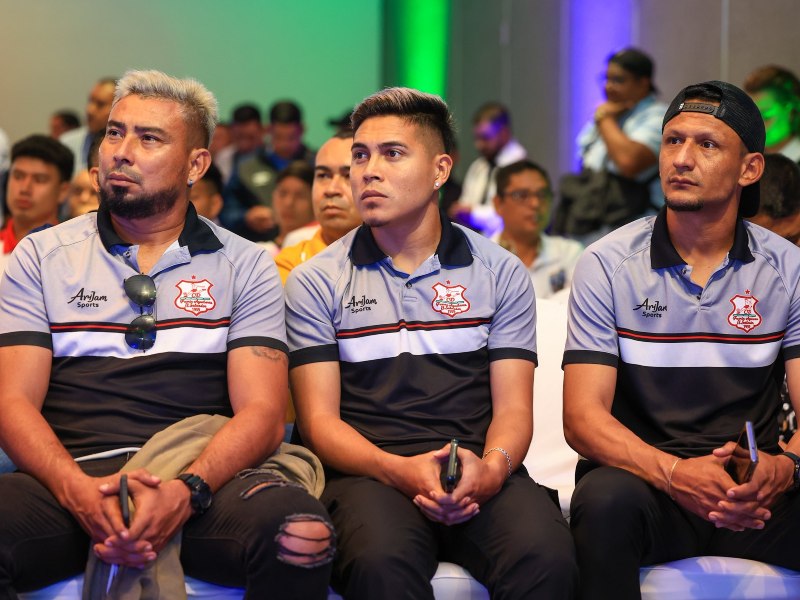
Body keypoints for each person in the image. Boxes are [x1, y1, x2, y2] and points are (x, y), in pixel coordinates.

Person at [0, 69, 334, 598]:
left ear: (196, 164)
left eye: (148, 138)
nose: (121, 151)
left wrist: (187, 490)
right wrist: (80, 493)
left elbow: (264, 415)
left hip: (201, 481)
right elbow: (12, 402)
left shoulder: (244, 264)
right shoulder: (41, 257)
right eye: (115, 132)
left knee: (302, 535)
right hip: (74, 478)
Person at [285, 86, 577, 600]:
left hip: (478, 469)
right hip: (368, 475)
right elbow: (319, 424)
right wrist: (398, 470)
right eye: (360, 155)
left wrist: (492, 469)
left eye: (392, 153)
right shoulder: (317, 281)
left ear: (441, 170)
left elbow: (513, 409)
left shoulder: (499, 273)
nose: (367, 171)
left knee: (547, 557)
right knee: (380, 565)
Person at [562, 80, 800, 600]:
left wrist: (785, 467)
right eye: (672, 141)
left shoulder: (788, 269)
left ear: (750, 168)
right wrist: (673, 473)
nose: (681, 159)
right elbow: (582, 420)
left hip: (750, 487)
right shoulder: (607, 264)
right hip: (645, 481)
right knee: (603, 505)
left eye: (706, 144)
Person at [570, 48, 667, 244]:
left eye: (618, 80)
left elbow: (628, 162)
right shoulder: (610, 113)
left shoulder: (658, 116)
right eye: (605, 79)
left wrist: (604, 119)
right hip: (594, 225)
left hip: (638, 232)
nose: (608, 87)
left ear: (643, 83)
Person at [275, 129, 360, 284]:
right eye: (323, 175)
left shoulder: (400, 258)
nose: (331, 189)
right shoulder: (290, 263)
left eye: (348, 175)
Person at [222, 100, 315, 241]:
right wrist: (246, 216)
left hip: (308, 242)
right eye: (278, 137)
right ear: (268, 130)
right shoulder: (246, 166)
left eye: (291, 137)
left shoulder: (316, 164)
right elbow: (226, 210)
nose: (285, 144)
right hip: (259, 244)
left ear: (302, 130)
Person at [491, 159, 583, 300]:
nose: (535, 204)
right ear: (498, 204)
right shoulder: (480, 258)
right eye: (522, 195)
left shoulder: (569, 253)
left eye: (542, 195)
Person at [450, 102, 526, 236]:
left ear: (504, 133)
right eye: (477, 138)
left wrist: (472, 213)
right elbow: (465, 203)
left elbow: (508, 215)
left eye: (485, 138)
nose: (479, 145)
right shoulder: (479, 166)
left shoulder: (521, 167)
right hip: (475, 245)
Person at [1, 135, 73, 267]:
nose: (24, 188)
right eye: (18, 176)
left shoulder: (74, 255)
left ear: (63, 191)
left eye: (39, 179)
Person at [59, 77, 117, 176]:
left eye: (100, 104)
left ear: (117, 107)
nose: (89, 110)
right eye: (90, 101)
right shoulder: (67, 143)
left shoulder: (125, 147)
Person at [744, 65, 800, 163]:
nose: (755, 126)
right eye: (749, 115)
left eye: (766, 116)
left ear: (791, 111)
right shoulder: (746, 163)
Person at [258, 161, 315, 257]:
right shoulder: (259, 251)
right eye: (283, 193)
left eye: (300, 196)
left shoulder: (320, 250)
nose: (289, 203)